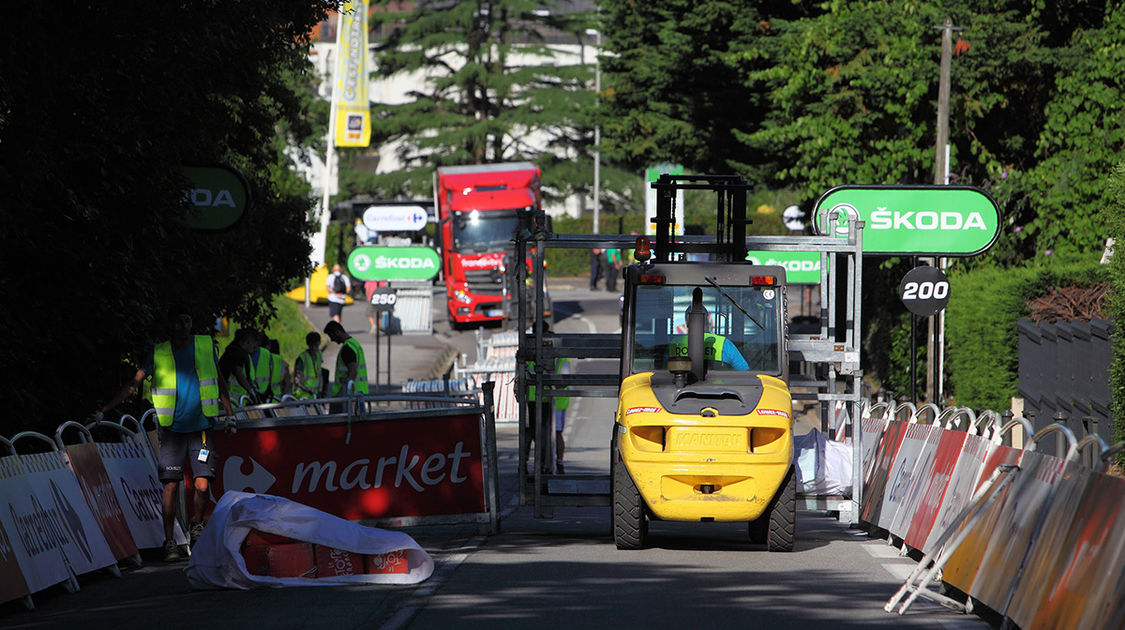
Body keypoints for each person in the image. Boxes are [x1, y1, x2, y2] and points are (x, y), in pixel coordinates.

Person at [92, 305, 234, 562]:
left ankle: (196, 525)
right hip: (172, 430)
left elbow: (220, 379)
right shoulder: (158, 352)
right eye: (179, 321)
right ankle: (169, 541)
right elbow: (134, 384)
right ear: (171, 325)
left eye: (188, 320)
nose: (184, 325)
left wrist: (230, 412)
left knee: (202, 484)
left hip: (201, 428)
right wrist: (105, 410)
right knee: (171, 485)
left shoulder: (204, 346)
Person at [324, 320, 368, 403]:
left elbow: (353, 372)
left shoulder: (347, 349)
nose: (332, 339)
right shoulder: (354, 344)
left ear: (337, 332)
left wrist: (347, 393)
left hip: (347, 396)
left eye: (331, 336)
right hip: (359, 393)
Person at [219, 327, 259, 406]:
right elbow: (239, 373)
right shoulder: (237, 353)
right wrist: (251, 391)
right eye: (254, 342)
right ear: (248, 341)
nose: (255, 346)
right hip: (231, 402)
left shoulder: (235, 351)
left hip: (233, 401)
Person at [554, 356, 571, 474]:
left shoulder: (562, 361)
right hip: (540, 401)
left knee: (557, 433)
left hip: (557, 404)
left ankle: (559, 462)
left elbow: (563, 383)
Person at [293, 332, 323, 399]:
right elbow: (297, 380)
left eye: (317, 345)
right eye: (312, 345)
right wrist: (308, 391)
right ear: (308, 344)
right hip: (302, 396)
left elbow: (320, 374)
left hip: (314, 395)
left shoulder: (319, 355)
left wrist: (320, 390)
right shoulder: (302, 358)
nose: (314, 348)